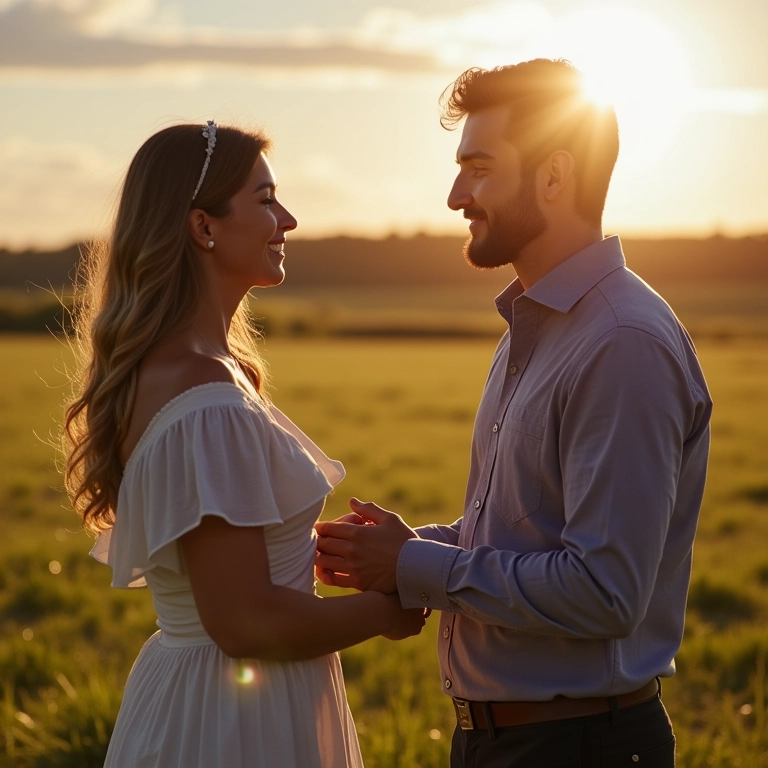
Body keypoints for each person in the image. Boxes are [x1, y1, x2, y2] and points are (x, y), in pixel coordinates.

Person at [315, 59, 712, 767]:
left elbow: (603, 591)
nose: (455, 195)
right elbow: (535, 530)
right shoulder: (536, 327)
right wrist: (411, 549)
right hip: (505, 741)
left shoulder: (621, 343)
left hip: (577, 746)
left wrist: (416, 563)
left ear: (554, 177)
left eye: (479, 168)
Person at [63, 120, 427, 768]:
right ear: (204, 227)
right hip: (231, 723)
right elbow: (245, 622)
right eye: (264, 199)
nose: (286, 218)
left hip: (202, 698)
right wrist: (384, 612)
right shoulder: (204, 396)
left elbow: (225, 562)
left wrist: (319, 547)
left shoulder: (190, 370)